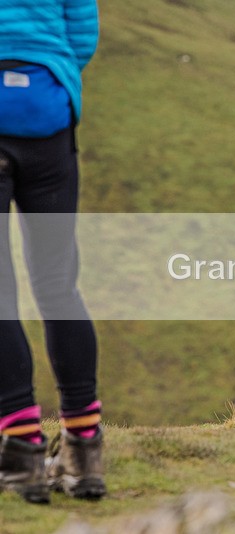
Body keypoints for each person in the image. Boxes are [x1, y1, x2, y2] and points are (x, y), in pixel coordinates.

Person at [0, 0, 105, 504]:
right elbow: (82, 34)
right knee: (58, 285)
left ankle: (22, 451)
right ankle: (84, 453)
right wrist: (52, 69)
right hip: (48, 110)